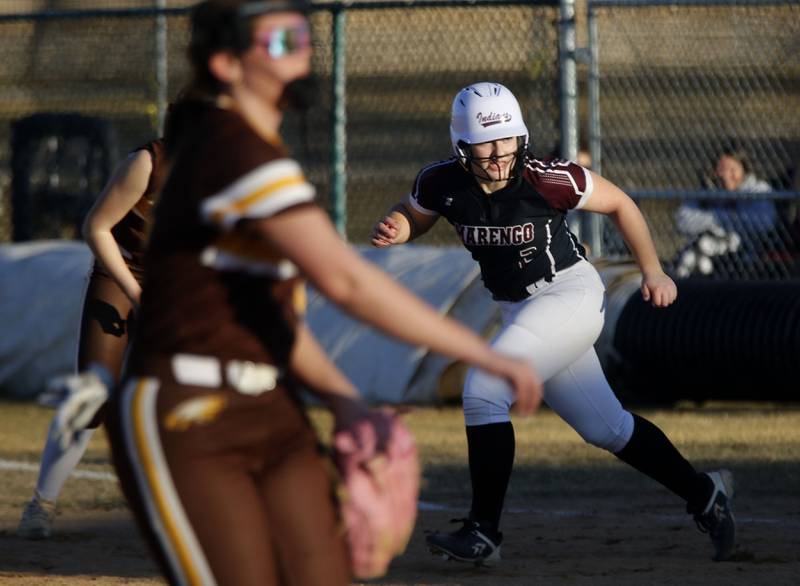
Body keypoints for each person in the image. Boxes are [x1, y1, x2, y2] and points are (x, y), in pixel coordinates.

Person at [103, 4, 542, 586]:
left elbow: (275, 317)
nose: (300, 40)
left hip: (270, 406)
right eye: (277, 36)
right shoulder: (229, 149)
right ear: (226, 62)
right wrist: (486, 355)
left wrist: (344, 403)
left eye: (300, 29)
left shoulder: (263, 154)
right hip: (188, 412)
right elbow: (347, 280)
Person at [370, 82, 737, 564]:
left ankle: (484, 533)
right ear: (461, 146)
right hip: (521, 310)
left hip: (569, 293)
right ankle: (705, 494)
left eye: (507, 139)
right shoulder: (440, 182)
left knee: (483, 388)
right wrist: (399, 224)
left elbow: (621, 204)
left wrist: (652, 269)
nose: (499, 153)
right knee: (608, 429)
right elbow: (416, 212)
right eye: (486, 142)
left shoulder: (547, 176)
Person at [16, 137, 167, 540]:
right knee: (94, 393)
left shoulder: (232, 169)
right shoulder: (149, 163)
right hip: (123, 273)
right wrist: (137, 296)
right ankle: (41, 504)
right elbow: (96, 226)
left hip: (176, 284)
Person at [674, 146, 777, 278]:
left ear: (744, 170)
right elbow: (683, 221)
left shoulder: (758, 190)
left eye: (733, 170)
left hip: (745, 257)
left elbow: (765, 223)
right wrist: (718, 219)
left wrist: (720, 218)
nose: (726, 175)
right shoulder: (708, 191)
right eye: (721, 169)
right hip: (707, 253)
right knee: (693, 256)